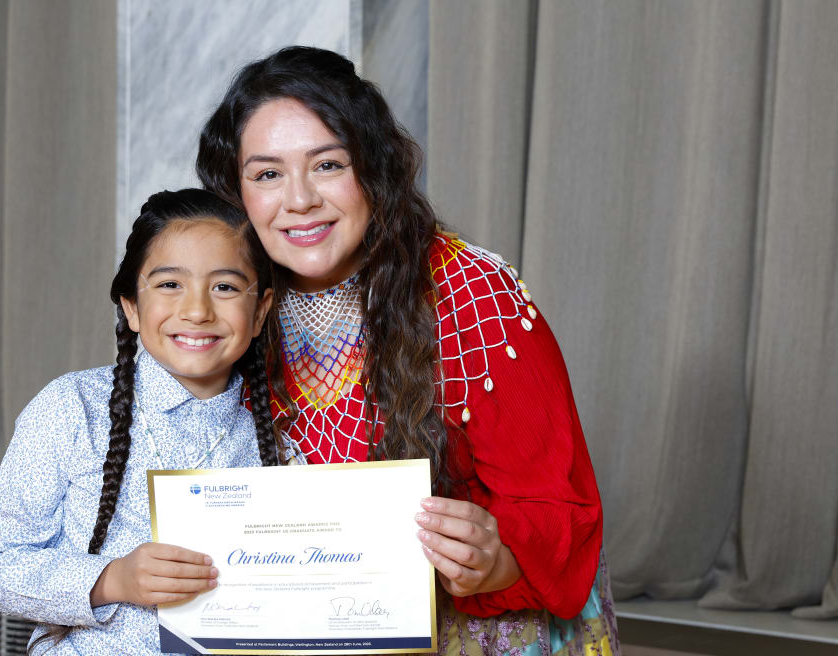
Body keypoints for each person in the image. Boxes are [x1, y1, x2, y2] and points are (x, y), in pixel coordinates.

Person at [197, 47, 619, 654]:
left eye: (328, 165)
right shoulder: (228, 300)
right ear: (236, 193)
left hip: (478, 627)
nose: (299, 200)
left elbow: (560, 510)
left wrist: (494, 560)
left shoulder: (472, 295)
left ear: (374, 168)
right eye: (267, 174)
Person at [0, 189, 277, 654]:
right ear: (131, 306)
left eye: (225, 287)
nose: (197, 310)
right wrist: (114, 579)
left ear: (260, 312)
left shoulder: (278, 436)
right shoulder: (72, 406)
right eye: (170, 284)